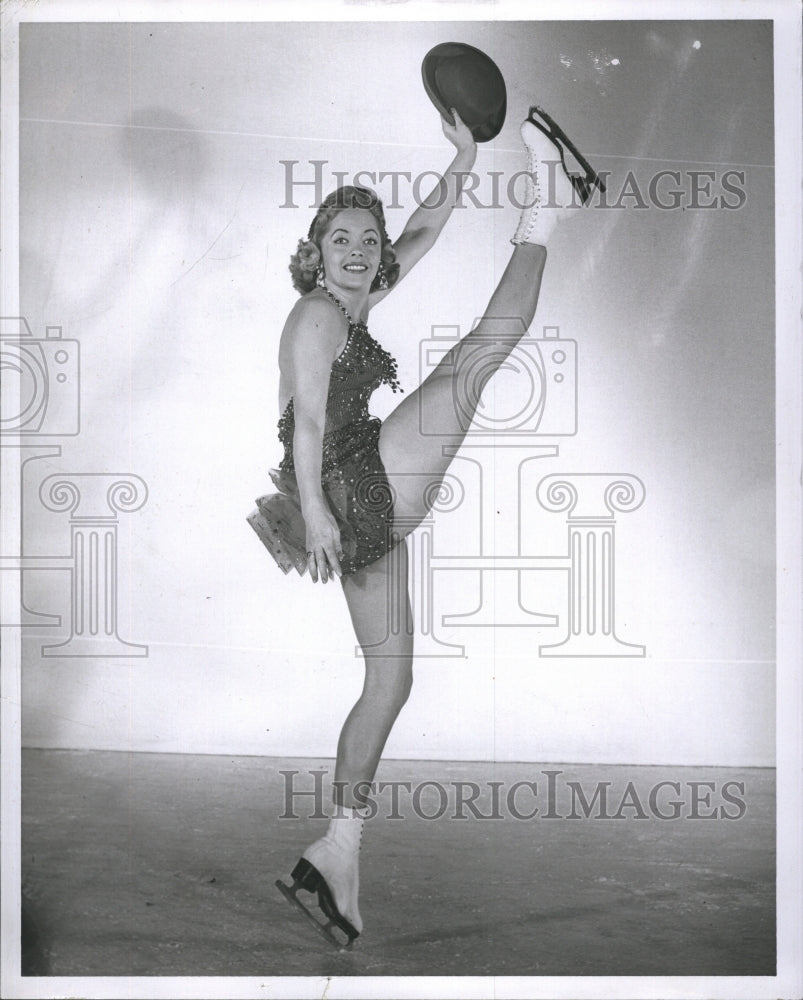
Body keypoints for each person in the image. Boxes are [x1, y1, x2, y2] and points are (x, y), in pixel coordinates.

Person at [248, 105, 603, 949]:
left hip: (360, 479)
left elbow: (426, 226)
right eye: (343, 239)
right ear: (316, 247)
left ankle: (335, 852)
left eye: (368, 240)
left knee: (390, 683)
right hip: (346, 480)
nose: (363, 250)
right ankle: (545, 206)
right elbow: (301, 425)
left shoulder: (357, 293)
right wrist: (325, 515)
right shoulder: (317, 316)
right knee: (482, 354)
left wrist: (466, 156)